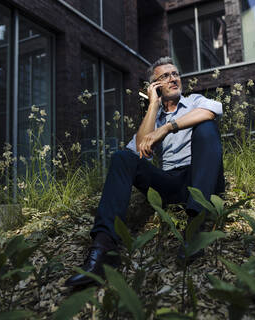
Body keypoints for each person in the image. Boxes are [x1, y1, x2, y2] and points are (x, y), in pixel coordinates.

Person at [65, 57, 224, 287]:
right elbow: (139, 151)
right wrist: (153, 106)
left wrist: (168, 128)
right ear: (154, 86)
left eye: (175, 74)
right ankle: (103, 250)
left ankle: (194, 229)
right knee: (122, 158)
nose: (173, 78)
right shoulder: (154, 117)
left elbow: (211, 112)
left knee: (207, 127)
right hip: (172, 183)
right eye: (165, 76)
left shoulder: (194, 102)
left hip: (203, 179)